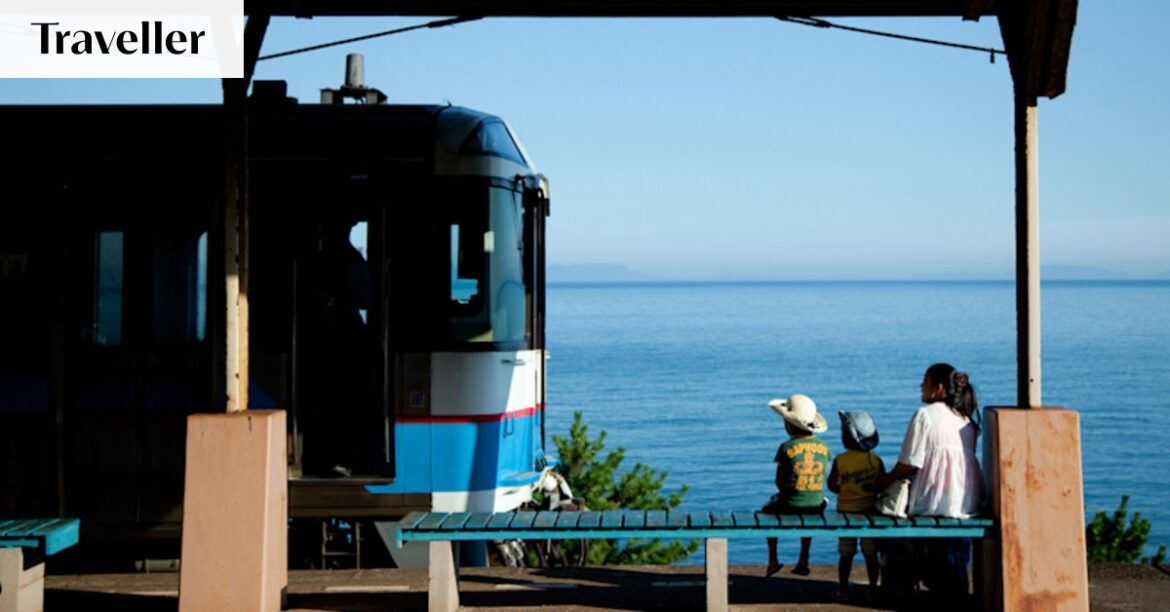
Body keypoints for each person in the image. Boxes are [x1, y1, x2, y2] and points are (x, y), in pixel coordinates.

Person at [880, 363, 985, 601]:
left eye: (924, 382)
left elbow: (909, 463)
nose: (920, 387)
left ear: (938, 389)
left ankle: (900, 588)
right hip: (966, 500)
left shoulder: (924, 415)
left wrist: (883, 482)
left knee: (891, 527)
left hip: (933, 499)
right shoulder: (965, 420)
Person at [762, 394, 832, 578]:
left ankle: (772, 560)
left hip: (790, 504)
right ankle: (803, 559)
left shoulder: (786, 447)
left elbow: (779, 481)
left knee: (767, 512)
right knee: (811, 513)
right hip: (816, 504)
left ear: (789, 425)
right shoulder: (824, 447)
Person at [827, 411, 885, 602]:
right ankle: (873, 588)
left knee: (846, 554)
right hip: (869, 514)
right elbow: (881, 485)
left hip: (846, 514)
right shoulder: (875, 460)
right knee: (871, 554)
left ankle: (843, 588)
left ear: (847, 438)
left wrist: (846, 489)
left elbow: (832, 486)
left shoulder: (841, 460)